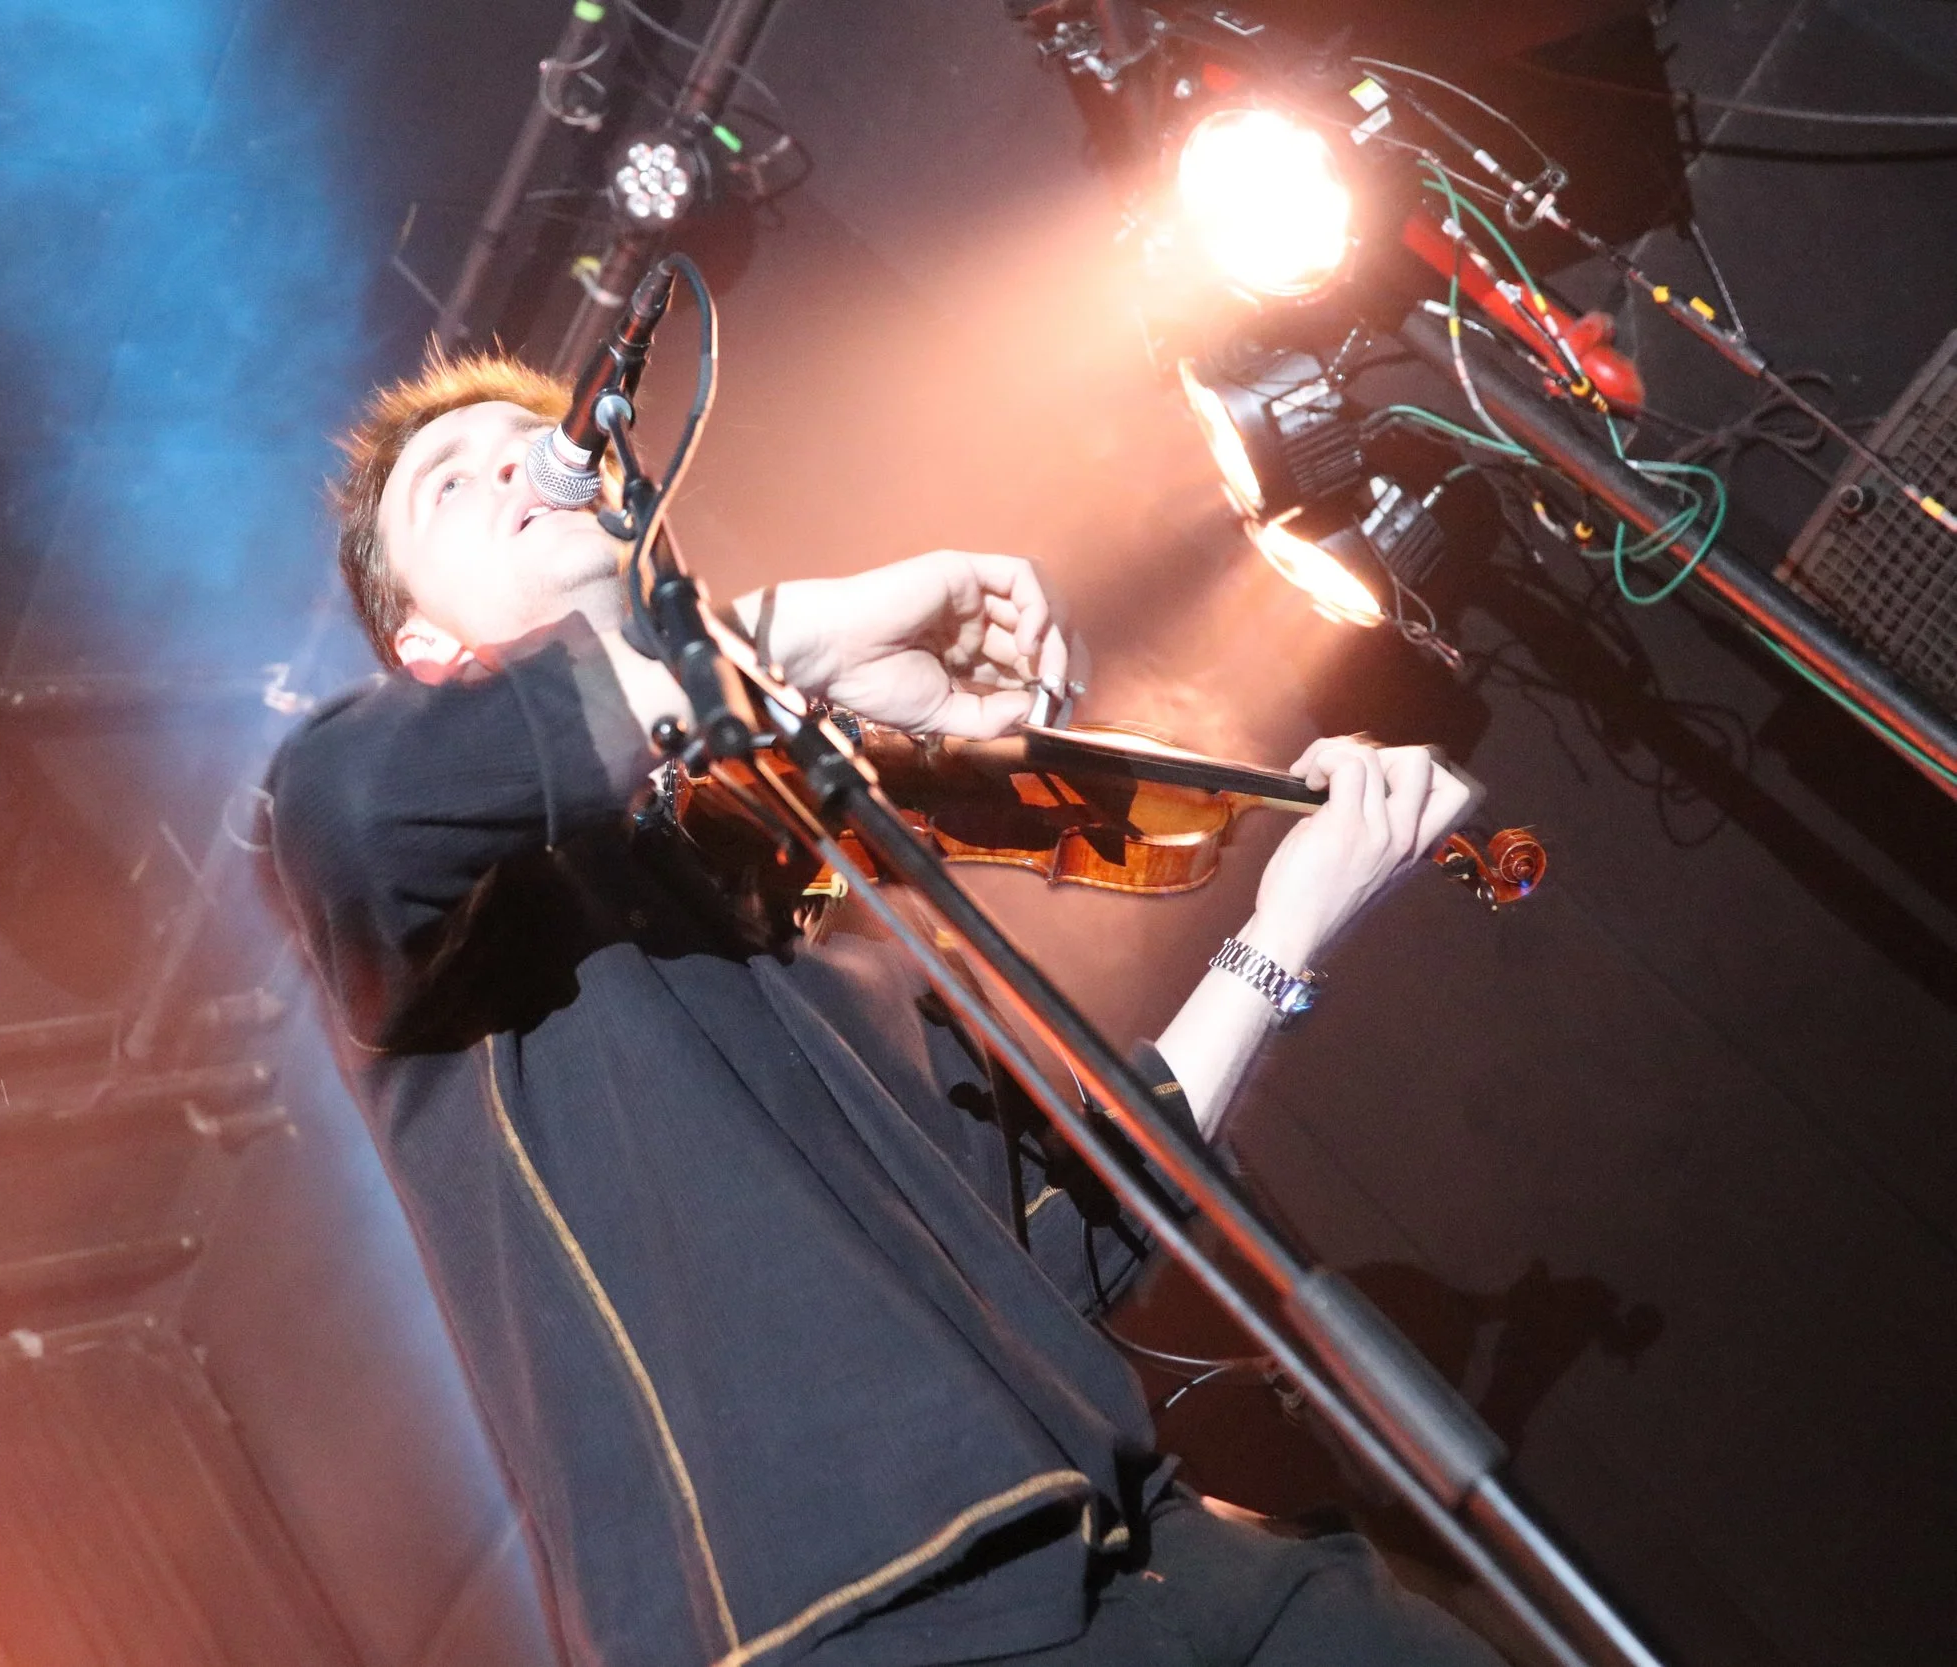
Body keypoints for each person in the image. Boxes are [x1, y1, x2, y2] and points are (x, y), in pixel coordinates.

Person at [266, 349, 1499, 1667]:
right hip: (865, 1626)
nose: (525, 456)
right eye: (454, 481)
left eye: (535, 434)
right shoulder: (407, 869)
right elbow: (367, 804)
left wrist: (1283, 933)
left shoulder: (779, 864)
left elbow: (1060, 1227)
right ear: (423, 648)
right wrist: (796, 633)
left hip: (1140, 1544)